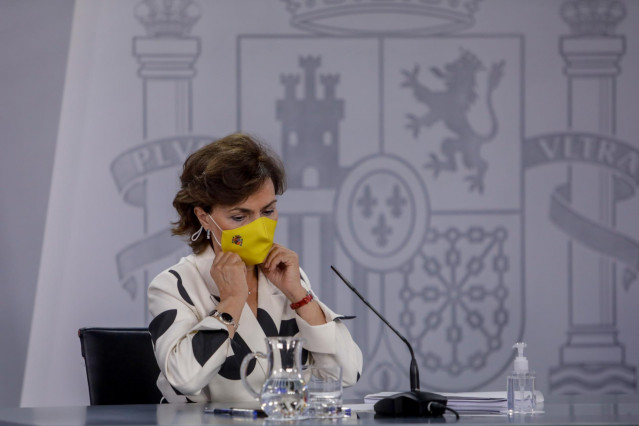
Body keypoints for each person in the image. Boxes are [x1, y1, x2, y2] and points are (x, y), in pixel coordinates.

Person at [148, 132, 363, 403]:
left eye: (268, 211)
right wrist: (231, 302)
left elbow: (346, 374)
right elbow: (185, 380)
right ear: (203, 217)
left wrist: (300, 296)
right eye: (240, 216)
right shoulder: (174, 284)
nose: (258, 227)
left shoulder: (285, 276)